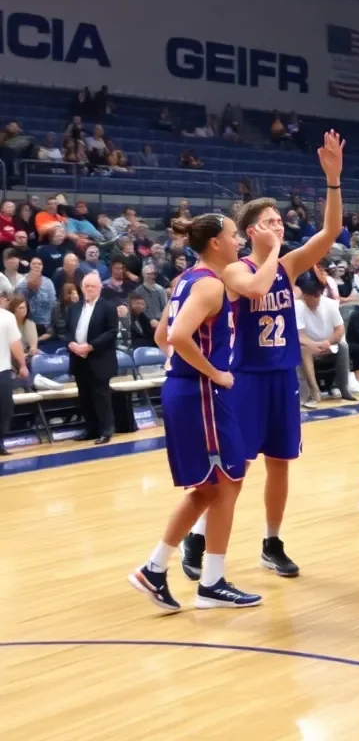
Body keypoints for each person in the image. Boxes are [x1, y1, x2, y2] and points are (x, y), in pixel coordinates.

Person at [179, 131, 343, 583]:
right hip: (245, 376)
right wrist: (272, 254)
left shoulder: (286, 264)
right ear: (251, 231)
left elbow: (330, 232)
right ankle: (196, 534)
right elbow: (252, 289)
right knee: (235, 469)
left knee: (280, 463)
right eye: (270, 222)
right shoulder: (237, 268)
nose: (279, 226)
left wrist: (333, 182)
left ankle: (272, 542)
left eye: (280, 221)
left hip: (280, 376)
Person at [129, 213, 272, 613]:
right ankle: (209, 581)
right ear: (215, 244)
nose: (239, 242)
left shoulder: (185, 281)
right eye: (233, 236)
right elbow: (175, 336)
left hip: (189, 390)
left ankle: (156, 569)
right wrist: (213, 372)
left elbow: (162, 336)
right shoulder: (210, 284)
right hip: (201, 393)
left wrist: (182, 368)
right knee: (226, 482)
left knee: (213, 487)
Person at [64, 272, 119, 444]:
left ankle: (106, 430)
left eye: (92, 286)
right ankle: (91, 429)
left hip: (100, 358)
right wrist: (72, 344)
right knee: (85, 395)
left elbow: (112, 332)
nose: (89, 289)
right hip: (78, 358)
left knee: (101, 395)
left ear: (100, 288)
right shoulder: (73, 308)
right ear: (81, 288)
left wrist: (90, 346)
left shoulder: (108, 307)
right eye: (86, 286)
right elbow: (65, 330)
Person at [294, 273, 352, 406]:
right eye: (312, 297)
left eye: (318, 296)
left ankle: (343, 387)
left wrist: (328, 342)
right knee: (304, 349)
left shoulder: (330, 304)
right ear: (304, 296)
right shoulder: (298, 306)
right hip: (310, 346)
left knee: (343, 346)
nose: (316, 300)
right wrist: (314, 345)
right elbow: (299, 335)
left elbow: (340, 329)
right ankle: (313, 389)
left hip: (328, 344)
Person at [0, 294, 31, 455]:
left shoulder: (7, 317)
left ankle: (0, 442)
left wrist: (22, 365)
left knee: (5, 409)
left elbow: (15, 343)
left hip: (3, 369)